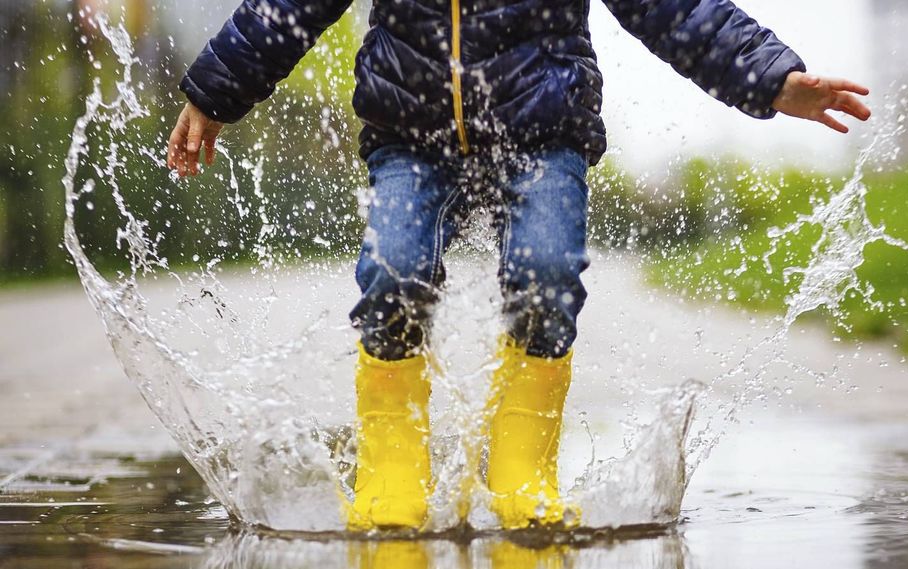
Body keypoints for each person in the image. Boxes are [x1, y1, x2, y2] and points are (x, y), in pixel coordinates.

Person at [167, 0, 870, 531]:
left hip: (543, 132)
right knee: (395, 274)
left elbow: (673, 7)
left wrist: (771, 76)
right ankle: (392, 462)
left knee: (547, 274)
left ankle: (521, 466)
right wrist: (215, 92)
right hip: (410, 133)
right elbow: (291, 5)